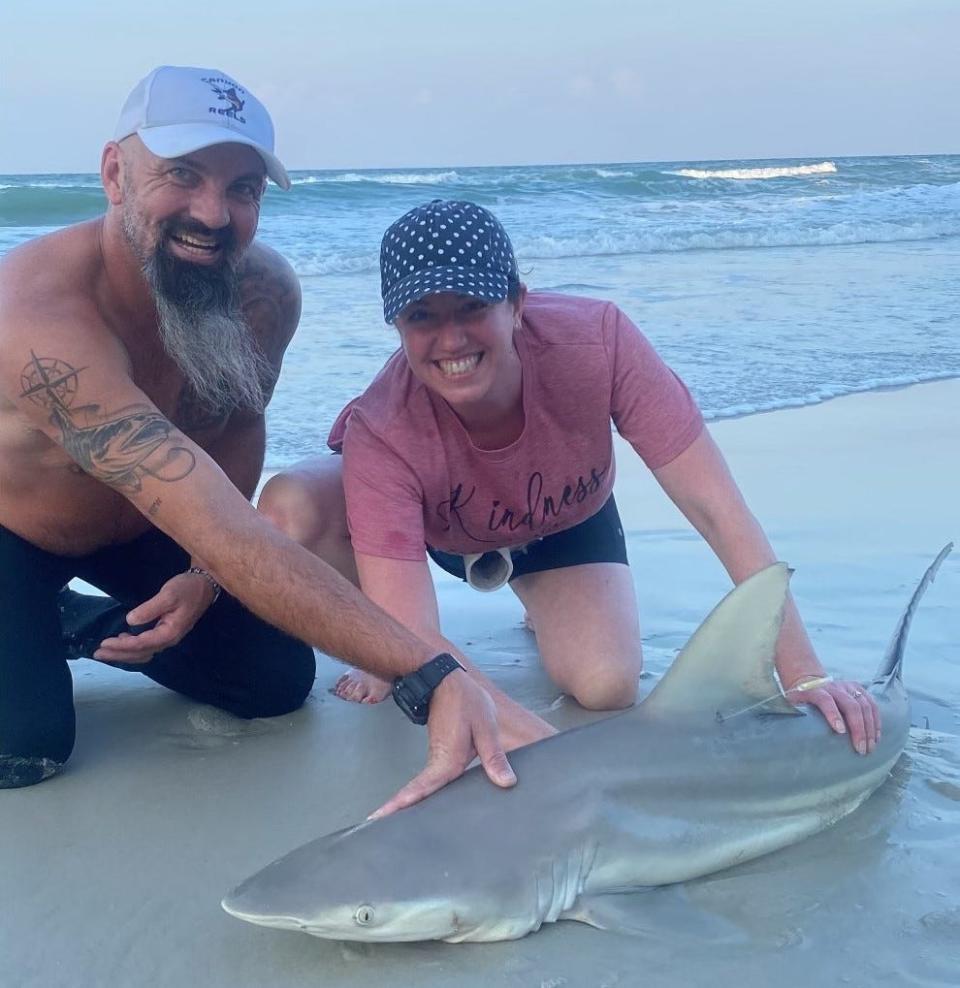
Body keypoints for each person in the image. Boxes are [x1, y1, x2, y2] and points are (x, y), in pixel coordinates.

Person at [0, 70, 552, 805]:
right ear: (114, 174)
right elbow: (227, 526)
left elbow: (234, 429)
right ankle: (32, 624)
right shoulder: (37, 320)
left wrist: (203, 573)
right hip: (15, 528)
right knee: (28, 747)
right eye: (183, 176)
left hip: (139, 528)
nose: (213, 213)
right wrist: (433, 673)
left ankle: (72, 623)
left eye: (243, 189)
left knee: (272, 681)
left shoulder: (262, 297)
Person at [259, 199, 881, 754]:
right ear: (395, 324)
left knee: (606, 684)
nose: (450, 339)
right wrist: (555, 757)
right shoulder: (382, 426)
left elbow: (717, 508)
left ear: (517, 301)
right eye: (422, 316)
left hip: (562, 524)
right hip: (437, 532)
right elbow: (419, 640)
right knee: (298, 523)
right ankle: (372, 635)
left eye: (472, 306)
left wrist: (804, 673)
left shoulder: (598, 343)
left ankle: (536, 604)